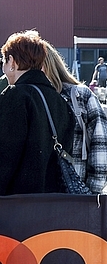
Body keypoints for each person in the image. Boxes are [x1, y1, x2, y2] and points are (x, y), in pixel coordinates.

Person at [0, 30, 75, 194]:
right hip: (53, 203)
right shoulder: (59, 100)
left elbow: (5, 157)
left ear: (12, 61)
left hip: (18, 203)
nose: (4, 69)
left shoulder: (14, 96)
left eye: (4, 62)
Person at [42, 40, 107, 193]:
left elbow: (101, 144)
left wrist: (90, 194)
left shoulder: (80, 95)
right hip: (41, 195)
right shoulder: (29, 96)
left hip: (76, 190)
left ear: (45, 65)